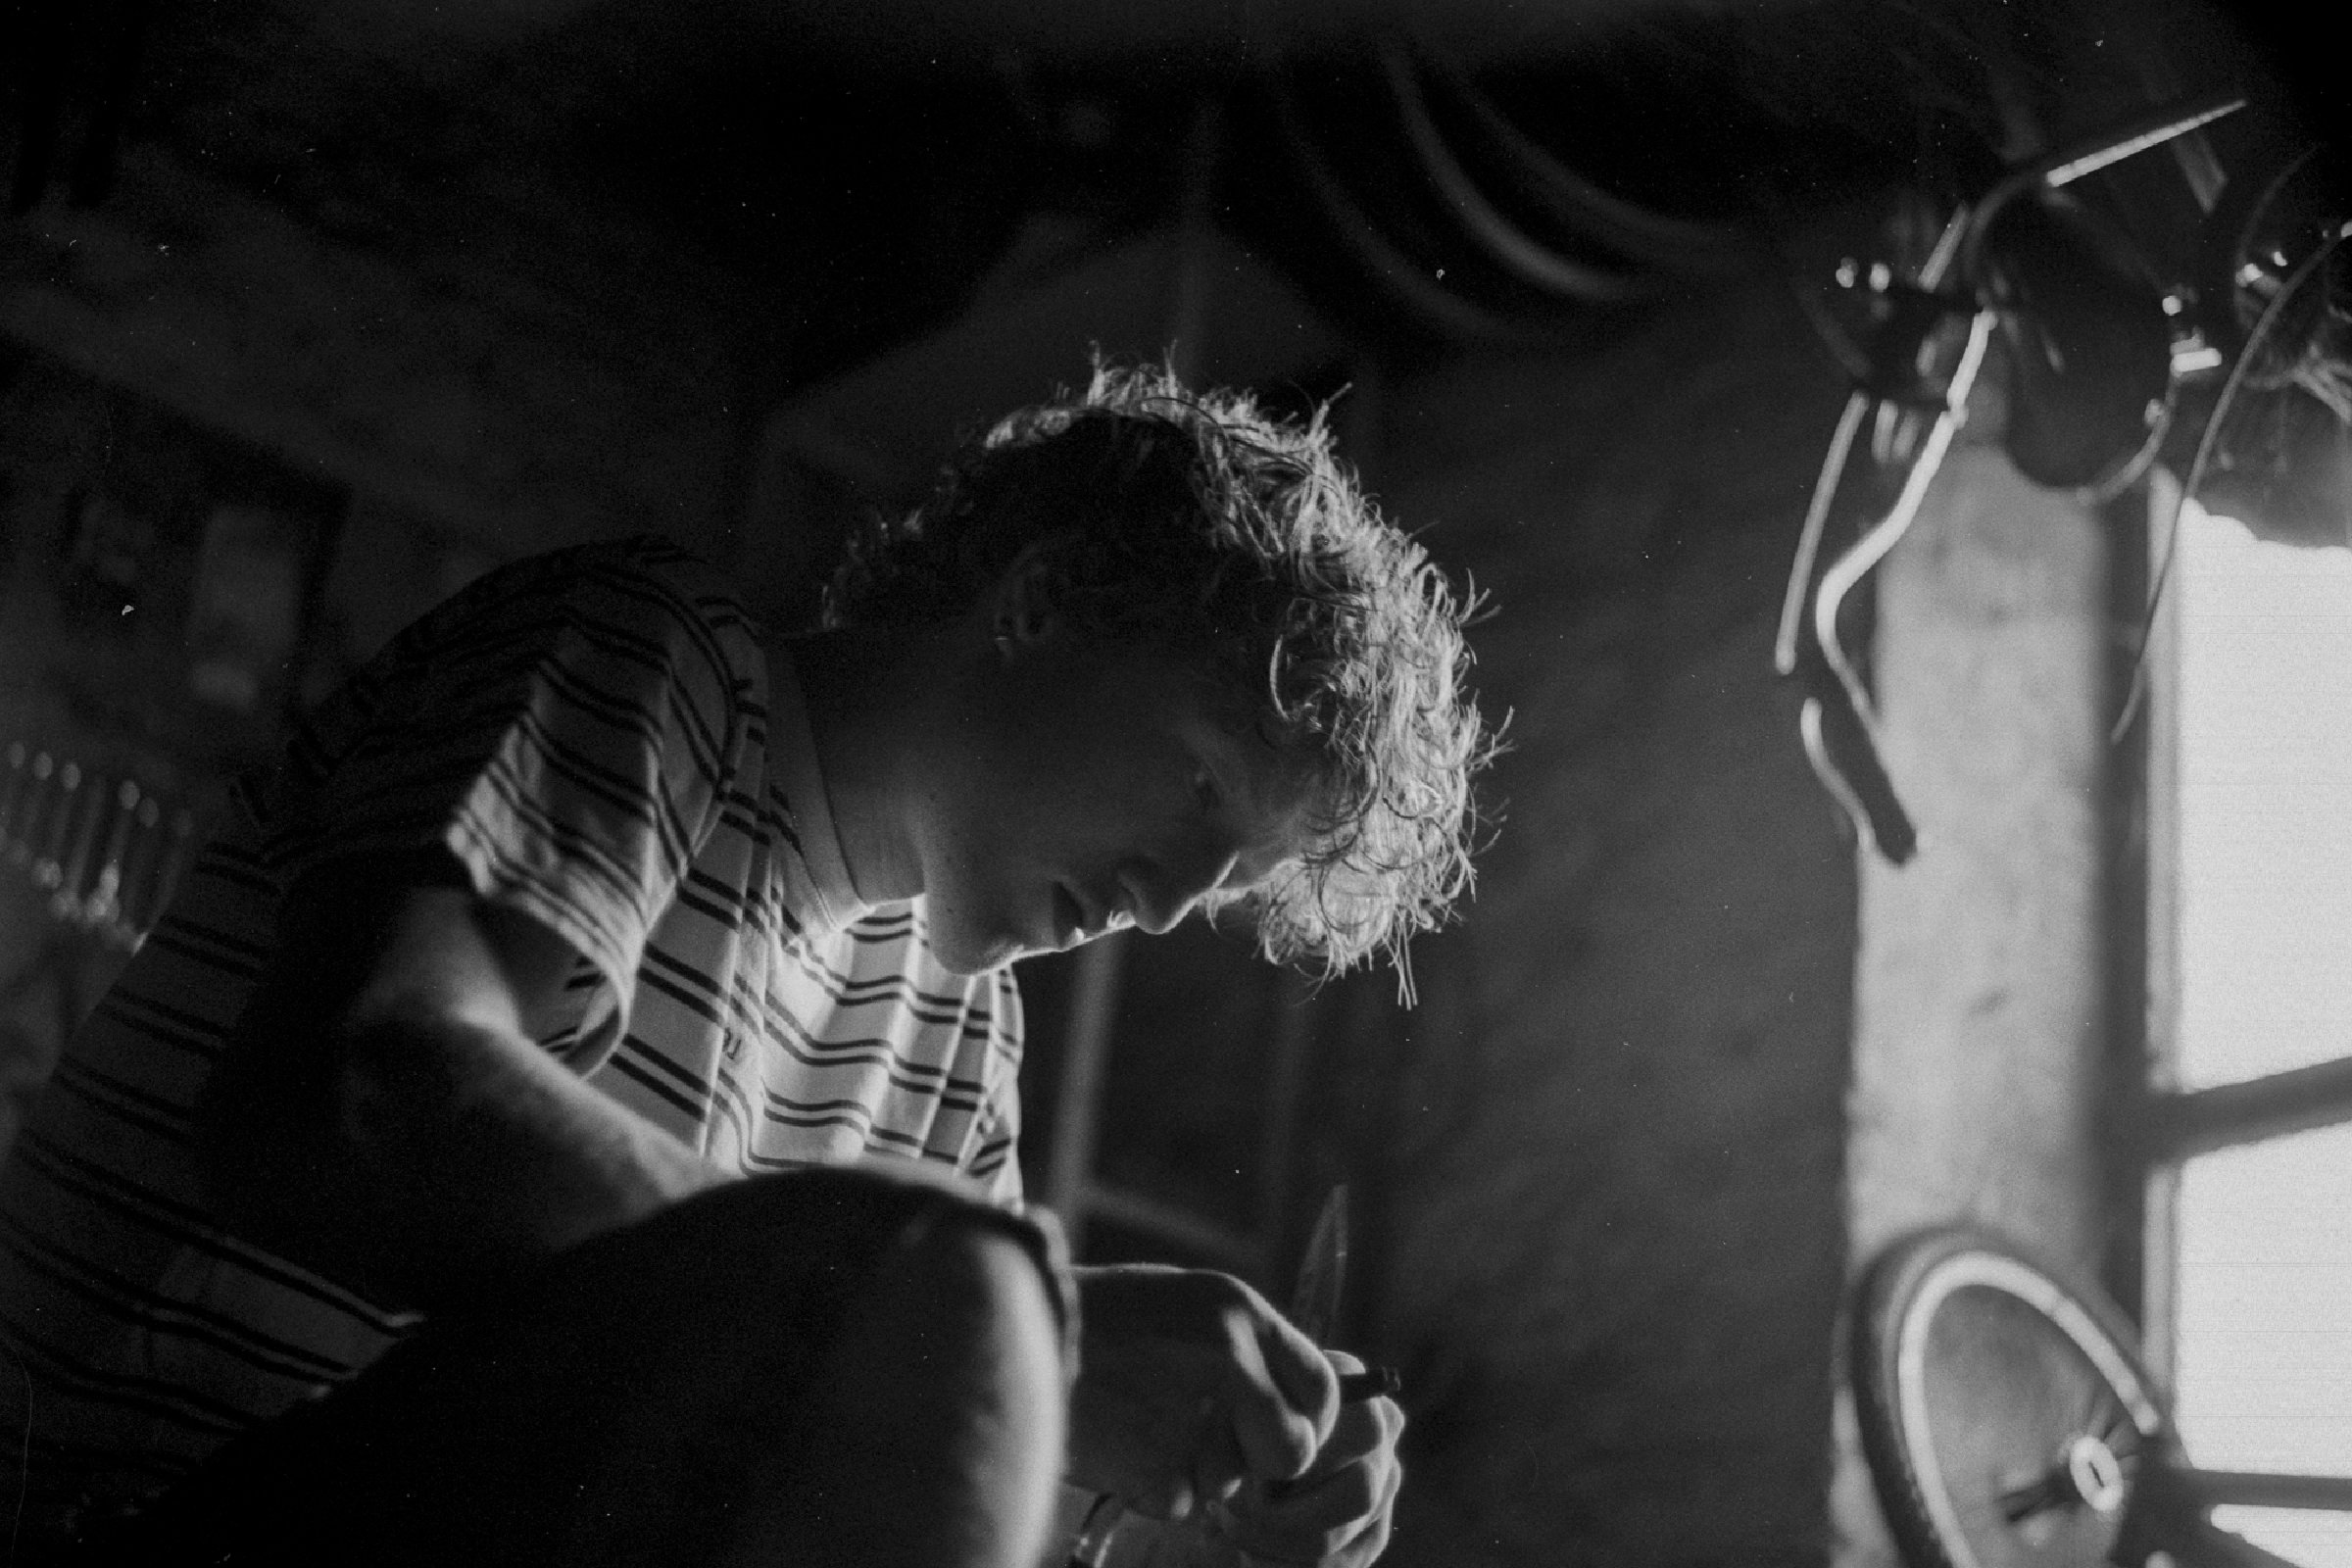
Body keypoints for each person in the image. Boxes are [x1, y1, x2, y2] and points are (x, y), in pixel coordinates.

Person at [0, 361, 1489, 1567]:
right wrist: (1021, 1339)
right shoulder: (659, 666)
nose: (1170, 904)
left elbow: (893, 1480)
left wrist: (1176, 1537)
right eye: (1200, 787)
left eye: (1232, 878)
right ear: (1044, 604)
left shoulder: (961, 1035)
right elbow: (345, 1090)